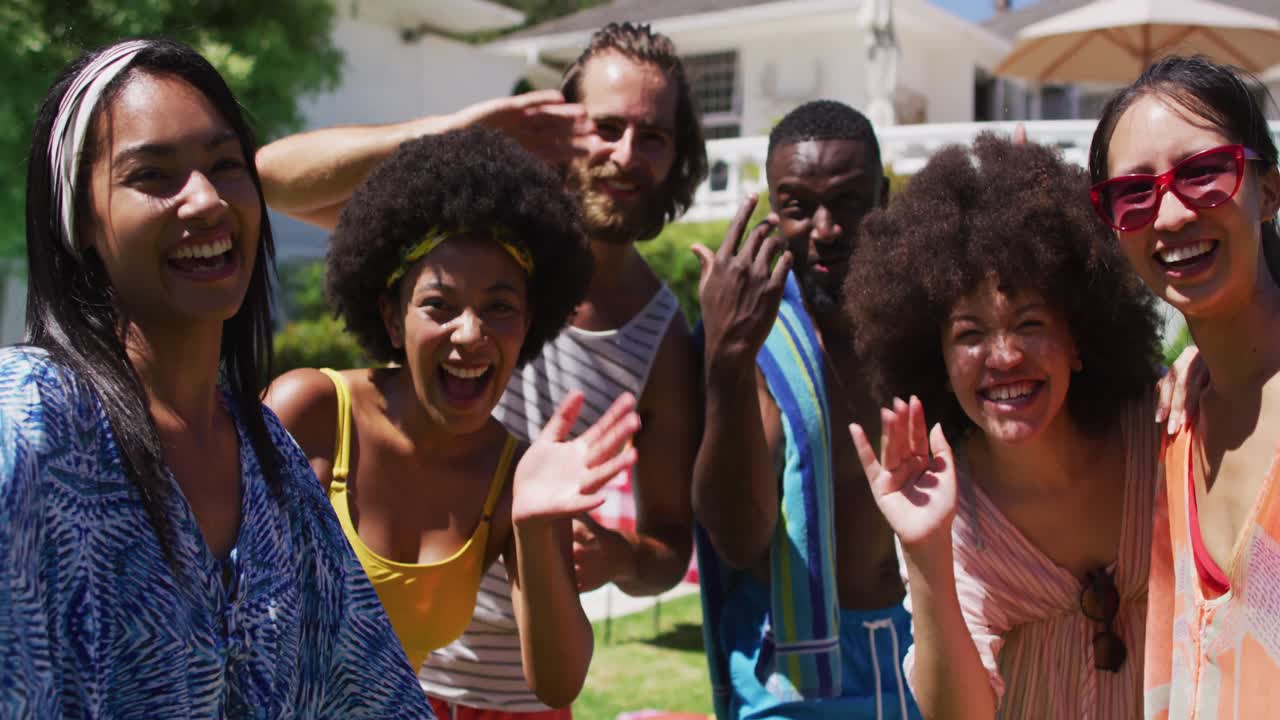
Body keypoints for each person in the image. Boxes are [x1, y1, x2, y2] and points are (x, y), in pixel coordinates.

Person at [256, 22, 705, 718]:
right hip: (393, 669)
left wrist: (617, 558)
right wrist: (456, 133)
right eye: (605, 127)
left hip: (525, 691)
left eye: (652, 136)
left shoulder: (662, 337)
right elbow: (270, 180)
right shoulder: (462, 240)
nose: (625, 155)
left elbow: (669, 550)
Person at [0, 38, 431, 716]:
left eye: (226, 165)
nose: (205, 201)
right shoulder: (28, 421)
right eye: (152, 175)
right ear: (79, 217)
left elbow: (368, 692)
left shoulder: (273, 462)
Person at [844, 131, 1165, 719]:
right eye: (969, 334)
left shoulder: (1164, 431)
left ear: (1078, 338)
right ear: (936, 362)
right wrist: (926, 552)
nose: (1004, 356)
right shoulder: (944, 503)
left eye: (1029, 323)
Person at [692, 100, 919, 719]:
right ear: (773, 209)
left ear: (885, 197)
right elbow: (738, 542)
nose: (824, 228)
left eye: (849, 202)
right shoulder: (754, 338)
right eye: (797, 206)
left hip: (920, 653)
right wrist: (727, 364)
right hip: (789, 674)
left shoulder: (925, 324)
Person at [1087, 55, 1280, 718]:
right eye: (1134, 194)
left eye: (1203, 173)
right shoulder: (1170, 427)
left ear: (1270, 189)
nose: (1168, 215)